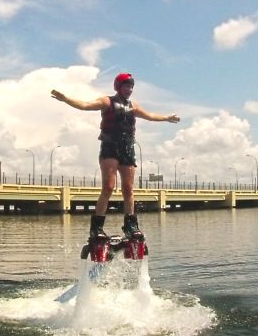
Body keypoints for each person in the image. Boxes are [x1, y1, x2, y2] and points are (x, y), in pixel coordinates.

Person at [50, 72, 180, 242]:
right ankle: (96, 228)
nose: (130, 89)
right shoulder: (106, 101)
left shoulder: (133, 106)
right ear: (118, 87)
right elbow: (84, 105)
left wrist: (167, 118)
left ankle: (131, 226)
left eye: (132, 86)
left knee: (128, 190)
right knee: (109, 188)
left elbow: (150, 116)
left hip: (127, 149)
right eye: (127, 86)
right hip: (110, 147)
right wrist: (67, 99)